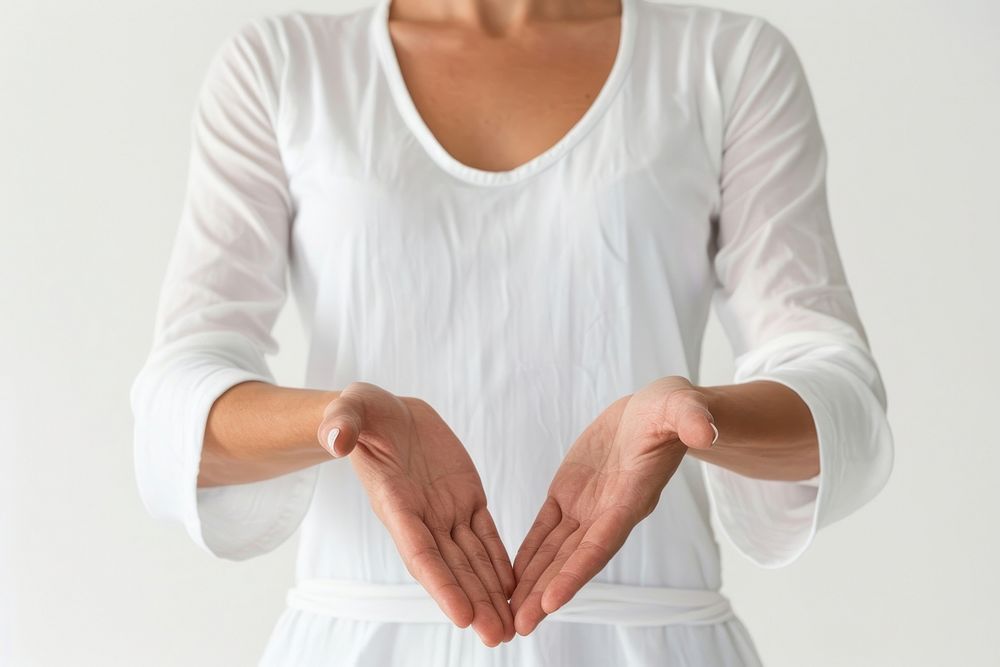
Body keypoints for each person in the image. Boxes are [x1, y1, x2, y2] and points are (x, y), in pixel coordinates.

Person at [129, 0, 895, 663]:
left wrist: (695, 417)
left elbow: (842, 398)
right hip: (357, 645)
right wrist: (335, 421)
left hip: (651, 645)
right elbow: (173, 408)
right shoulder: (286, 65)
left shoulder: (726, 62)